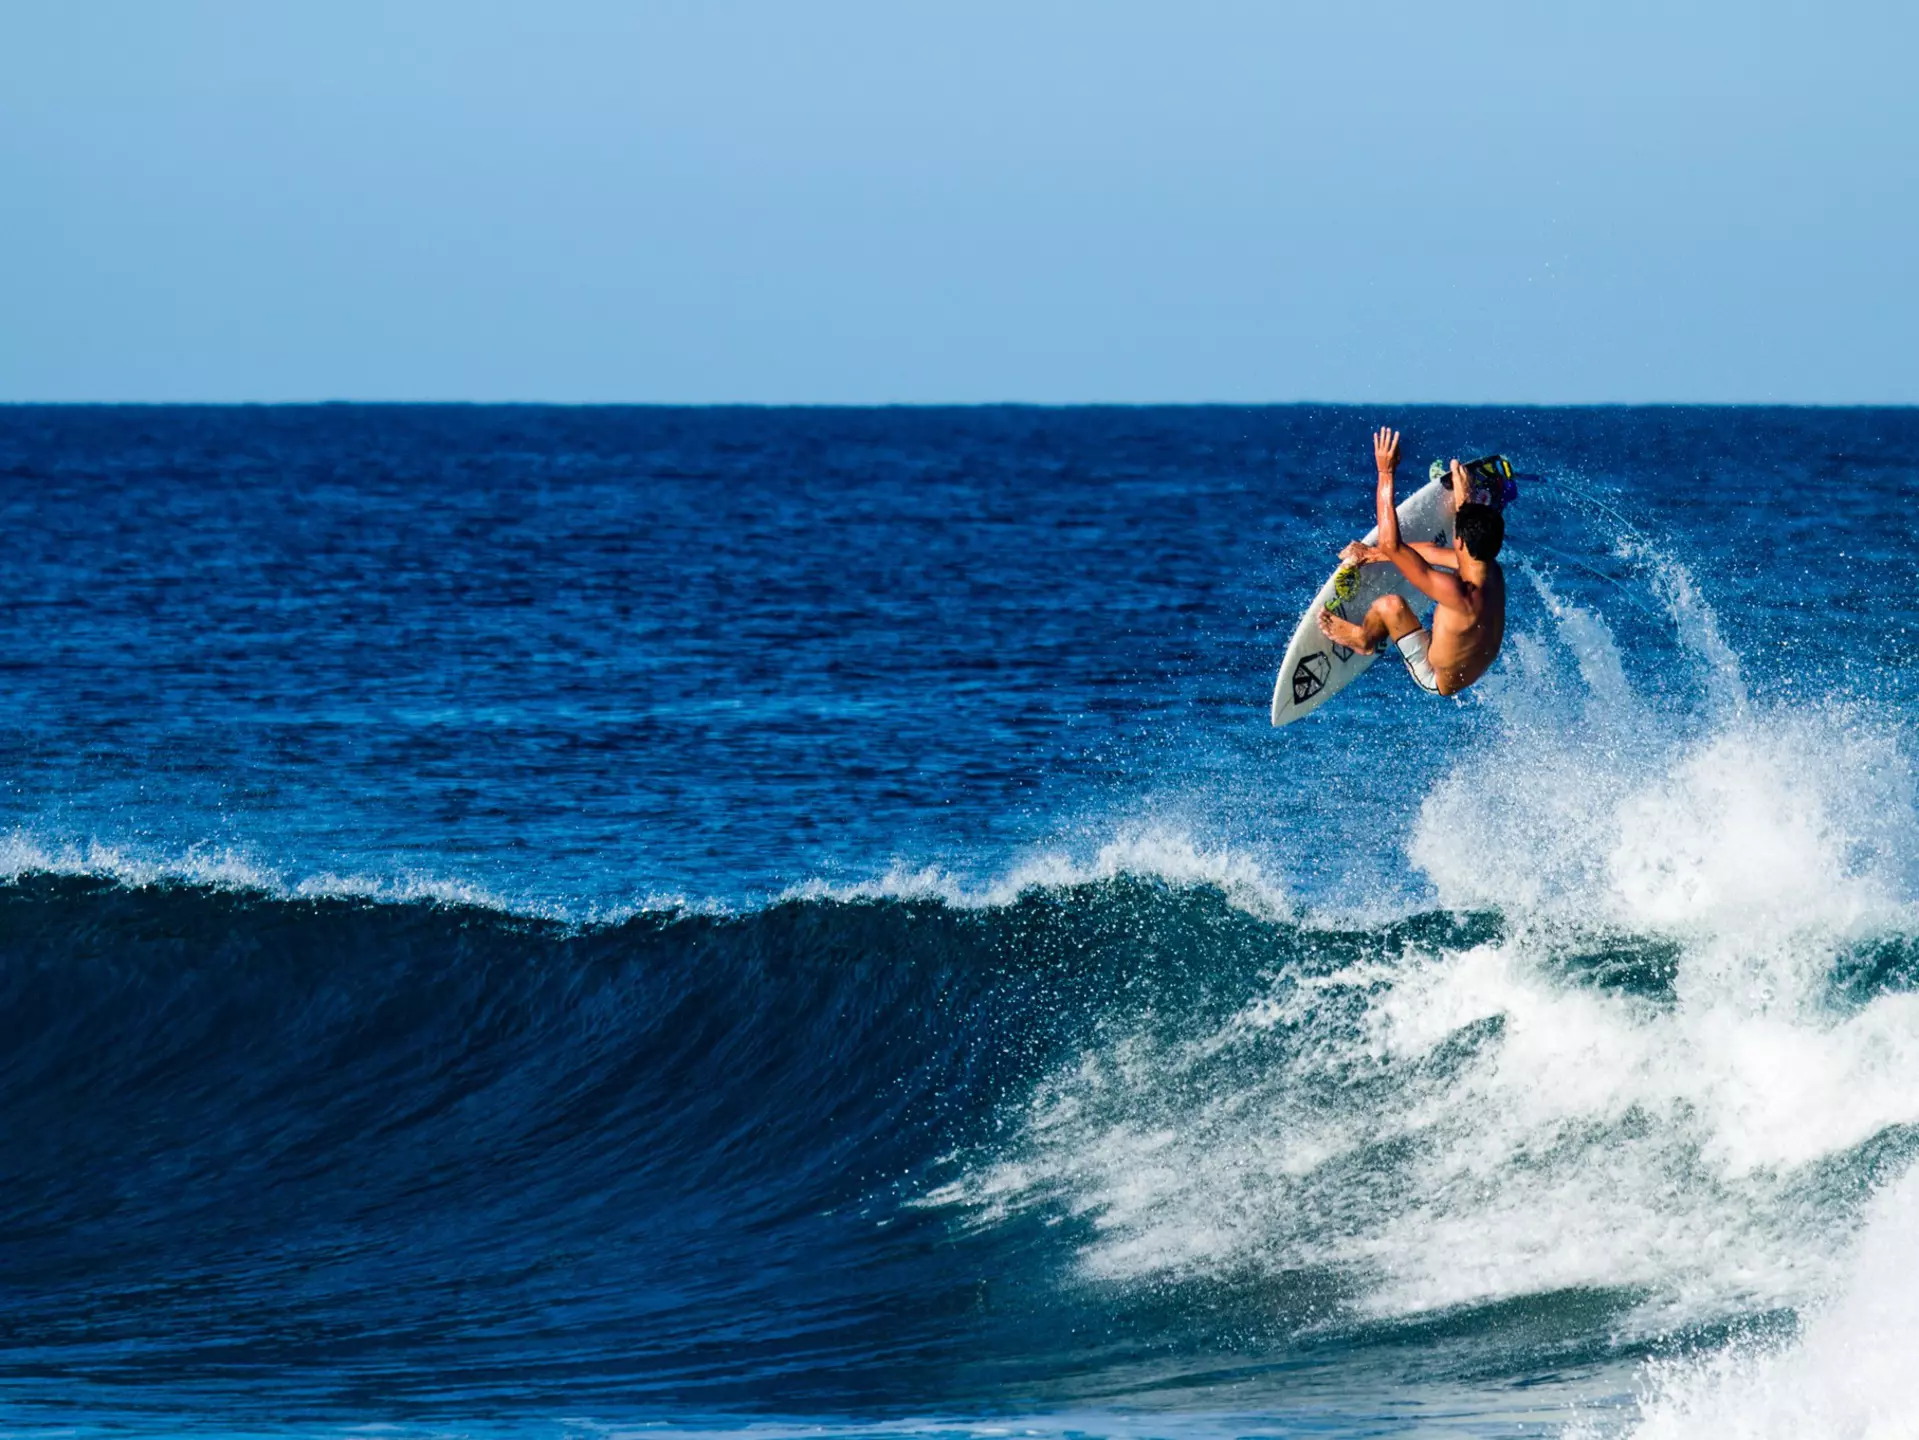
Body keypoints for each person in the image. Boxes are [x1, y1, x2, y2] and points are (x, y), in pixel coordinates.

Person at [1314, 427, 1505, 697]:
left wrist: (1385, 472)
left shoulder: (1457, 593)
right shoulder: (1491, 570)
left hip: (1437, 676)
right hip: (1470, 662)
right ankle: (1373, 556)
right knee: (1426, 552)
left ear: (1460, 541)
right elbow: (1431, 551)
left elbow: (1393, 545)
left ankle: (1363, 639)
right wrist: (1374, 554)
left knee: (1389, 606)